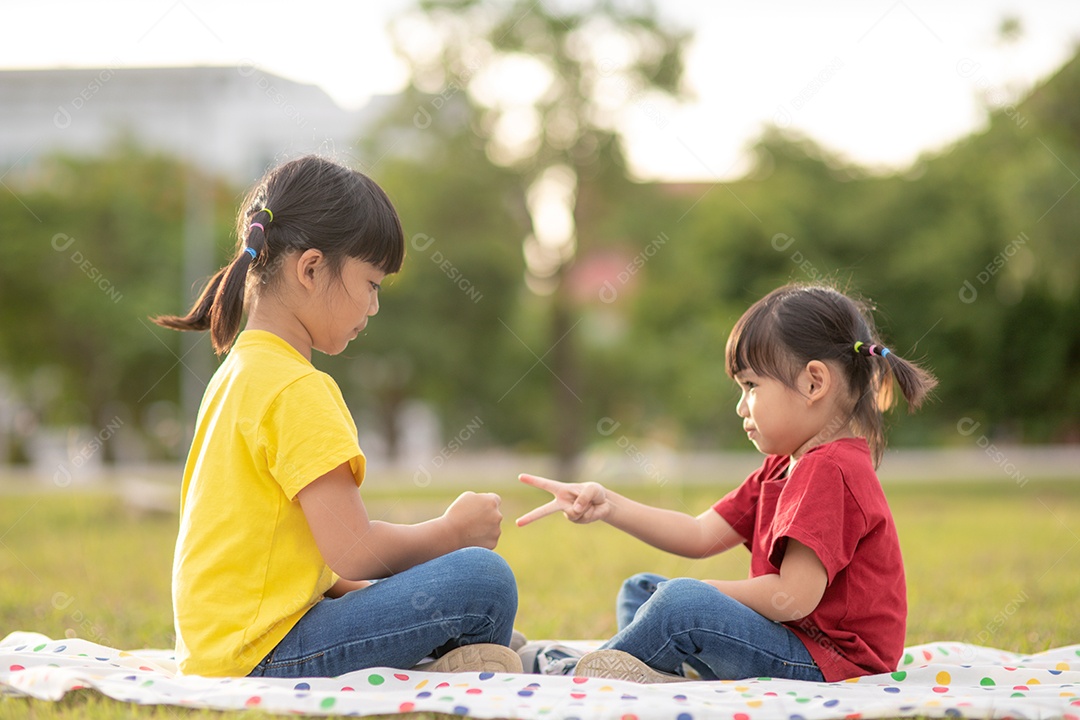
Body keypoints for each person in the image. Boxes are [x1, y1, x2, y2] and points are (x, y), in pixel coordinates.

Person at [154, 155, 520, 678]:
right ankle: (459, 660)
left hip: (223, 649)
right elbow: (353, 549)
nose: (373, 308)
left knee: (444, 588)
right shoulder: (298, 388)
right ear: (310, 268)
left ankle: (453, 649)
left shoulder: (240, 370)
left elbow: (302, 554)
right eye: (371, 284)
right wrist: (451, 531)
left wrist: (392, 591)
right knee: (484, 581)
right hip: (265, 655)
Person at [517, 283, 937, 683]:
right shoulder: (782, 467)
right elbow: (699, 534)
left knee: (680, 601)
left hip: (830, 664)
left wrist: (702, 594)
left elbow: (794, 596)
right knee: (644, 591)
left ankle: (575, 674)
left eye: (751, 386)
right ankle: (657, 669)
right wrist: (609, 504)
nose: (741, 407)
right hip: (788, 641)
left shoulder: (831, 470)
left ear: (814, 383)